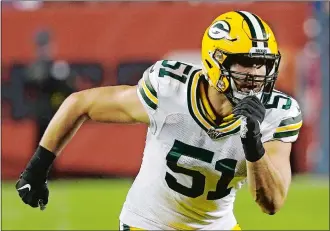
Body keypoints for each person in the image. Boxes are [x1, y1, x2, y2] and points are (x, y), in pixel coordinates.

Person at [15, 11, 303, 230]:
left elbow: (272, 203)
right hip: (150, 223)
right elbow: (80, 103)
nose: (256, 73)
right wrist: (37, 168)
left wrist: (253, 145)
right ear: (216, 60)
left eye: (263, 63)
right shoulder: (170, 90)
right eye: (245, 61)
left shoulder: (277, 113)